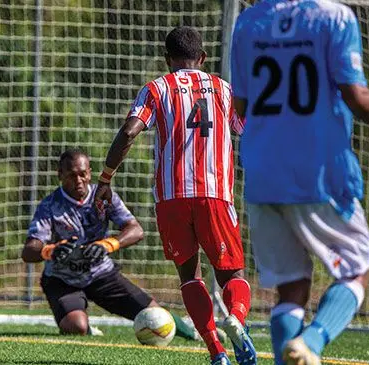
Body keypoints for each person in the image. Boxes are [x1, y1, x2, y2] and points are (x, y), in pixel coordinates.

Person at [229, 1, 369, 364]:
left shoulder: (248, 20)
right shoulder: (334, 16)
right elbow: (355, 94)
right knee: (357, 270)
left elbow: (242, 104)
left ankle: (291, 353)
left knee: (291, 287)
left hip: (264, 172)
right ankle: (313, 339)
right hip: (319, 171)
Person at [94, 27, 256, 365]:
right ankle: (236, 320)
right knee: (232, 276)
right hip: (215, 195)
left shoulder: (156, 88)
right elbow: (251, 133)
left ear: (167, 60)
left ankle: (217, 353)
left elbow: (129, 131)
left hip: (171, 199)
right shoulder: (224, 90)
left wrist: (106, 178)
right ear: (203, 58)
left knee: (190, 276)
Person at [22, 149, 198, 341]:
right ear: (60, 175)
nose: (79, 180)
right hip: (62, 280)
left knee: (154, 314)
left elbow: (136, 230)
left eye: (83, 174)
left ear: (90, 172)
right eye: (72, 175)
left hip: (101, 274)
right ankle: (87, 327)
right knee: (76, 326)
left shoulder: (104, 196)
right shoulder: (49, 205)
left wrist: (108, 244)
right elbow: (29, 250)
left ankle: (195, 333)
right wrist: (51, 250)